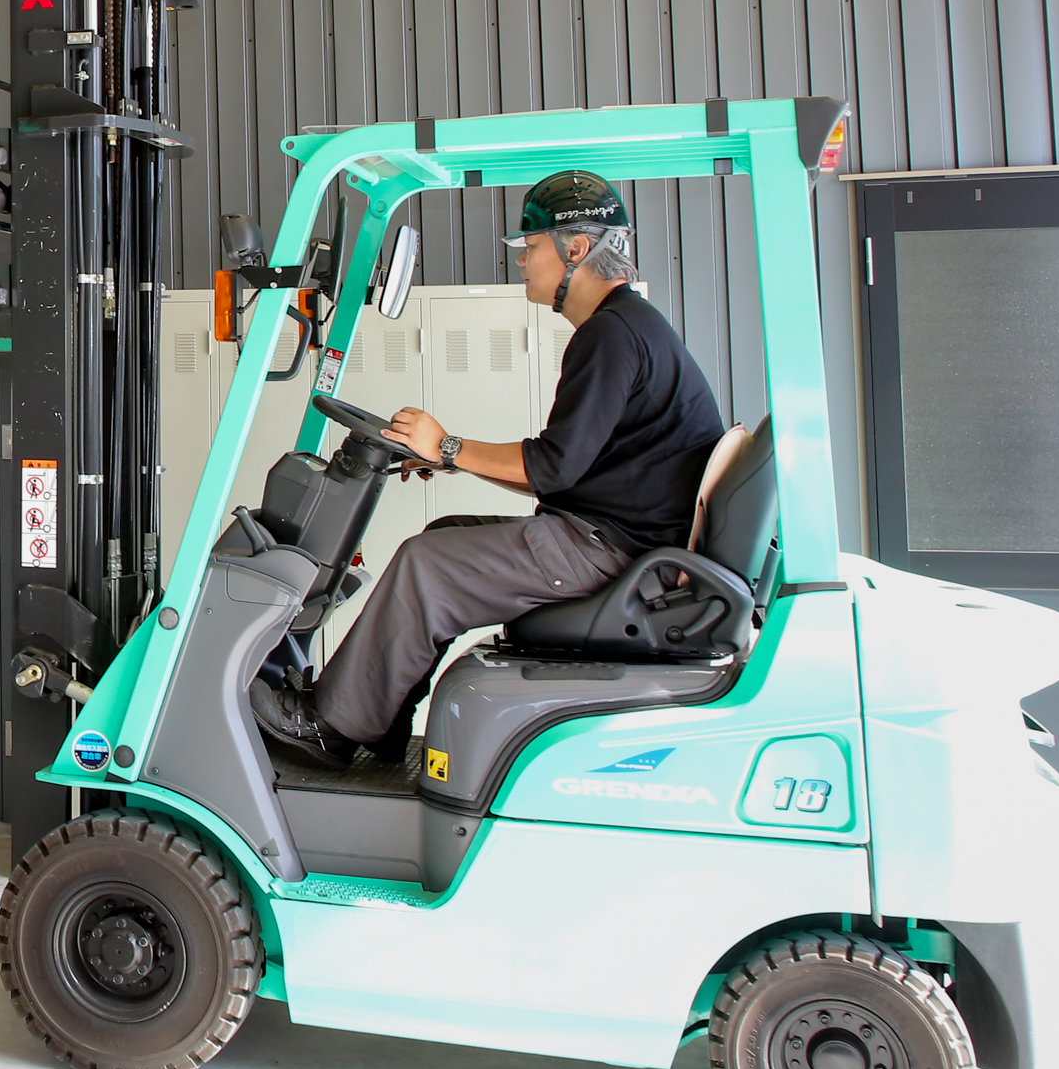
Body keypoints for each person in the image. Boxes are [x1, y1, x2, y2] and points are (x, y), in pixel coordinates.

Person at [249, 169, 729, 766]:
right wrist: (449, 457)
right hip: (616, 537)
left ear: (576, 249)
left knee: (426, 565)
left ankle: (330, 726)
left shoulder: (610, 336)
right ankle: (381, 719)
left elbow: (551, 468)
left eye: (531, 247)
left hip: (610, 549)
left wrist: (450, 446)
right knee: (442, 535)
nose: (521, 261)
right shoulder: (628, 326)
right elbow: (565, 468)